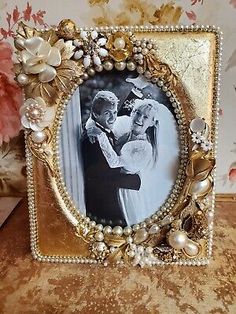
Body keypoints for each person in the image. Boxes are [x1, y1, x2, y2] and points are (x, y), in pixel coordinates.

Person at [88, 98, 180, 226]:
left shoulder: (144, 147)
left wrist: (100, 135)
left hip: (123, 190)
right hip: (110, 180)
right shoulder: (127, 129)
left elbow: (115, 162)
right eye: (137, 113)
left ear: (152, 123)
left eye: (145, 117)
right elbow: (101, 122)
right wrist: (93, 129)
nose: (139, 119)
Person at [81, 91, 141, 227]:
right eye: (108, 113)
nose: (113, 117)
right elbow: (98, 177)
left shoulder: (99, 127)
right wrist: (132, 181)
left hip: (110, 197)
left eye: (114, 112)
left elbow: (118, 115)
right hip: (103, 203)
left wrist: (134, 93)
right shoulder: (93, 140)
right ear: (96, 114)